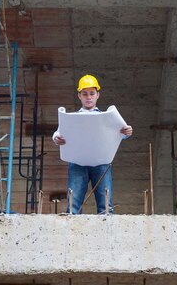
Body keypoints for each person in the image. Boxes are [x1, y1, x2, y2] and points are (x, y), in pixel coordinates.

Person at [52, 74, 133, 214]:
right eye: (85, 94)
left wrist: (126, 132)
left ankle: (107, 233)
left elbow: (118, 132)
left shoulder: (107, 117)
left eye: (91, 93)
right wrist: (56, 138)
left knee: (105, 207)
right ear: (79, 96)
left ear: (97, 95)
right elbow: (58, 133)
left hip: (101, 162)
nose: (88, 97)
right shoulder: (72, 118)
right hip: (78, 163)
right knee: (73, 207)